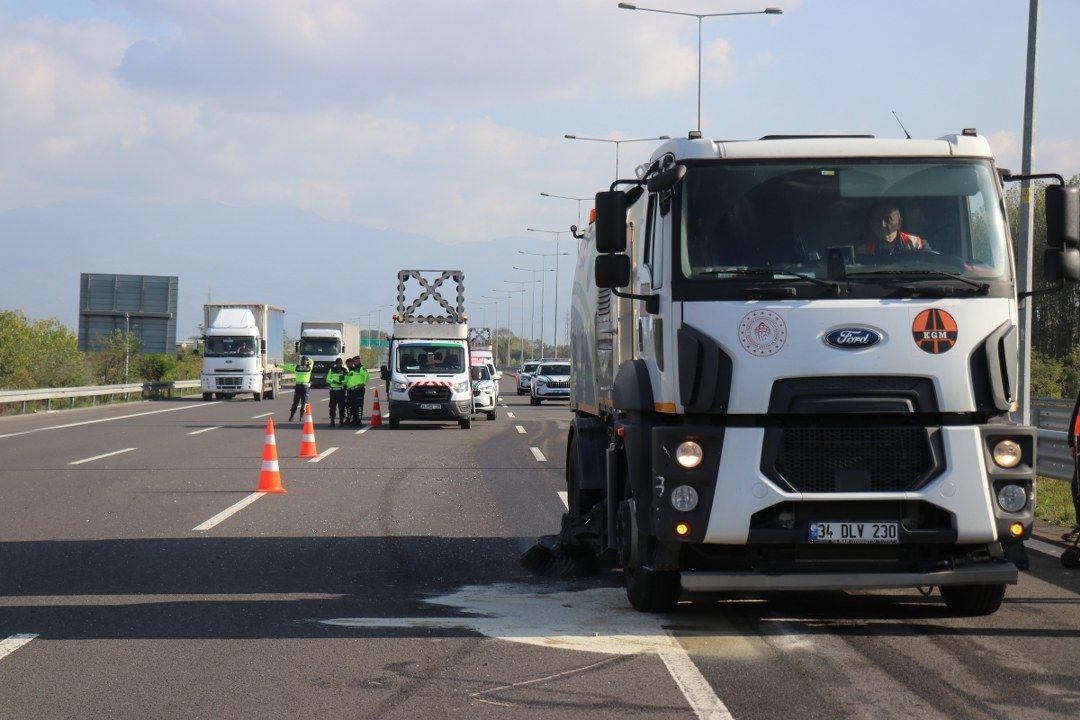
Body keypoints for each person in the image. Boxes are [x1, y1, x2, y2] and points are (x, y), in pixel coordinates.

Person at [861, 203, 931, 255]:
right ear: (872, 225)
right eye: (877, 220)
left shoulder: (917, 244)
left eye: (888, 220)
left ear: (899, 223)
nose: (882, 225)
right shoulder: (863, 251)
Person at [282, 356, 314, 422]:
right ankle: (301, 417)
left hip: (298, 386)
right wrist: (307, 358)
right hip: (305, 386)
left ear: (301, 361)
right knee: (304, 402)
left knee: (295, 402)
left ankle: (291, 416)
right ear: (306, 362)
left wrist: (278, 365)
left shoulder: (296, 367)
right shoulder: (309, 368)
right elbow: (312, 362)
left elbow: (287, 366)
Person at [345, 356, 370, 425]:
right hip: (351, 390)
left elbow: (367, 376)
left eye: (356, 361)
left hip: (358, 389)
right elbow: (349, 378)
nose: (355, 363)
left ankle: (358, 420)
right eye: (354, 361)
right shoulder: (352, 369)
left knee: (358, 405)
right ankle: (353, 419)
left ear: (359, 361)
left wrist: (363, 383)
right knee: (351, 405)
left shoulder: (361, 368)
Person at [325, 357, 348, 427]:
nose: (340, 365)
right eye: (338, 363)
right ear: (336, 363)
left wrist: (341, 383)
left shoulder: (344, 370)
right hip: (333, 391)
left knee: (342, 407)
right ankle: (332, 421)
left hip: (341, 391)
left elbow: (346, 380)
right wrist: (334, 381)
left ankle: (341, 421)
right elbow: (328, 379)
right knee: (332, 407)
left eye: (341, 363)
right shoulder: (332, 370)